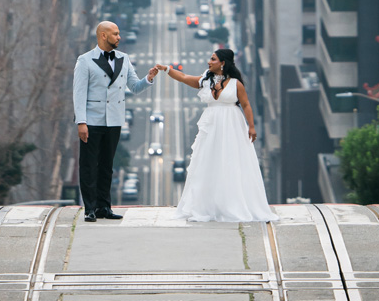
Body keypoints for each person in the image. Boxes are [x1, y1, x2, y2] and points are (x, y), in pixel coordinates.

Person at [158, 48, 276, 223]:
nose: (209, 61)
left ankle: (233, 204)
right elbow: (184, 78)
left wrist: (251, 127)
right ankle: (207, 205)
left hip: (232, 126)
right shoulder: (206, 80)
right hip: (211, 126)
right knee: (207, 161)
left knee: (231, 161)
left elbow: (246, 105)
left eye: (213, 59)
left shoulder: (236, 84)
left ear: (222, 63)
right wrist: (166, 69)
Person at [73, 20, 161, 222]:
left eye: (119, 33)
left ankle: (105, 207)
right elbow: (79, 94)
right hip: (92, 120)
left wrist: (148, 78)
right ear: (103, 36)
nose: (119, 37)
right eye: (115, 34)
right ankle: (90, 209)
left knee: (106, 166)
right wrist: (81, 122)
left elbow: (135, 87)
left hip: (114, 120)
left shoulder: (123, 58)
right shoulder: (85, 61)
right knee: (89, 166)